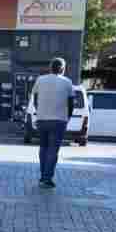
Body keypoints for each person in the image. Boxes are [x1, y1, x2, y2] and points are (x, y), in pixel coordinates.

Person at [32, 57, 75, 188]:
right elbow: (71, 103)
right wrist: (67, 118)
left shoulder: (40, 80)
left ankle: (43, 177)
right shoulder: (67, 82)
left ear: (50, 67)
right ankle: (46, 178)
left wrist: (40, 111)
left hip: (42, 119)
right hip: (59, 120)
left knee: (43, 148)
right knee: (53, 150)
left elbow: (35, 99)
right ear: (62, 68)